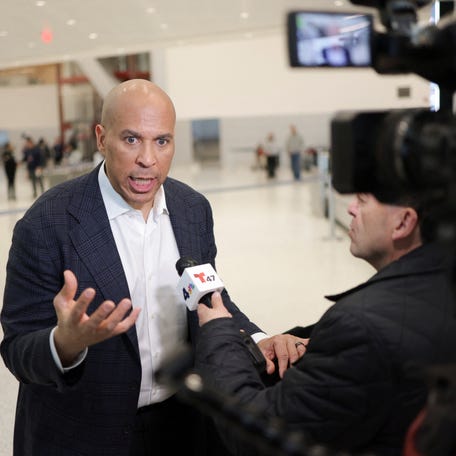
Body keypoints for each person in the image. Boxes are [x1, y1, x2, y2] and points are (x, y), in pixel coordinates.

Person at [0, 79, 306, 456]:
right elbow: (17, 348)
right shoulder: (47, 223)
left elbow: (209, 296)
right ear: (101, 137)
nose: (148, 159)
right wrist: (65, 343)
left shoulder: (192, 209)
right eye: (131, 139)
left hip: (183, 427)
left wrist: (260, 339)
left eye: (162, 141)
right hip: (84, 434)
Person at [194, 192, 456, 456]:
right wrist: (316, 347)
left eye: (363, 201)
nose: (351, 208)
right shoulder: (440, 283)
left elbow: (257, 437)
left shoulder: (358, 327)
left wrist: (218, 332)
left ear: (403, 223)